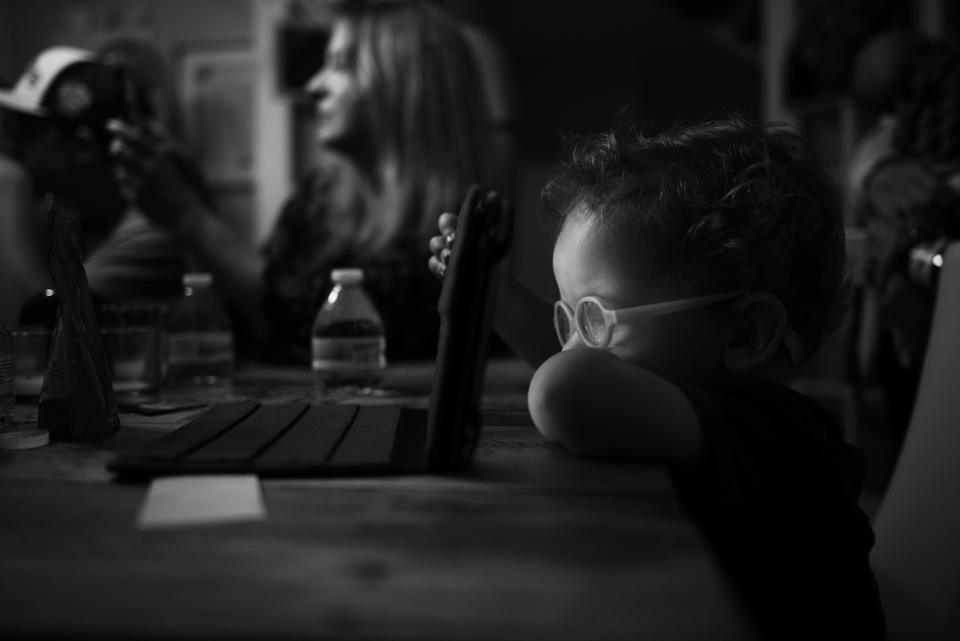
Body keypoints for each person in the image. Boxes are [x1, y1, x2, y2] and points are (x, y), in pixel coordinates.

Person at [430, 117, 885, 639]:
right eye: (569, 317)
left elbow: (568, 388)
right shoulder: (693, 408)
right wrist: (500, 296)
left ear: (744, 334)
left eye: (598, 317)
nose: (574, 344)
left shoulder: (782, 439)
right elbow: (586, 360)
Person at [110, 0, 499, 363]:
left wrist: (190, 217)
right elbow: (254, 311)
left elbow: (328, 331)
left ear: (406, 84)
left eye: (341, 64)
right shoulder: (318, 195)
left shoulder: (452, 223)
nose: (315, 86)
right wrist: (195, 200)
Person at [0, 46, 186, 306]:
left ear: (82, 146)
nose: (11, 145)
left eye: (25, 130)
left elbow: (50, 328)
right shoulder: (64, 213)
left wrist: (9, 184)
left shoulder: (155, 226)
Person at [850, 37, 960, 440]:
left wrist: (923, 211)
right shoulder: (892, 145)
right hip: (908, 330)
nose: (892, 121)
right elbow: (868, 159)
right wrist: (878, 179)